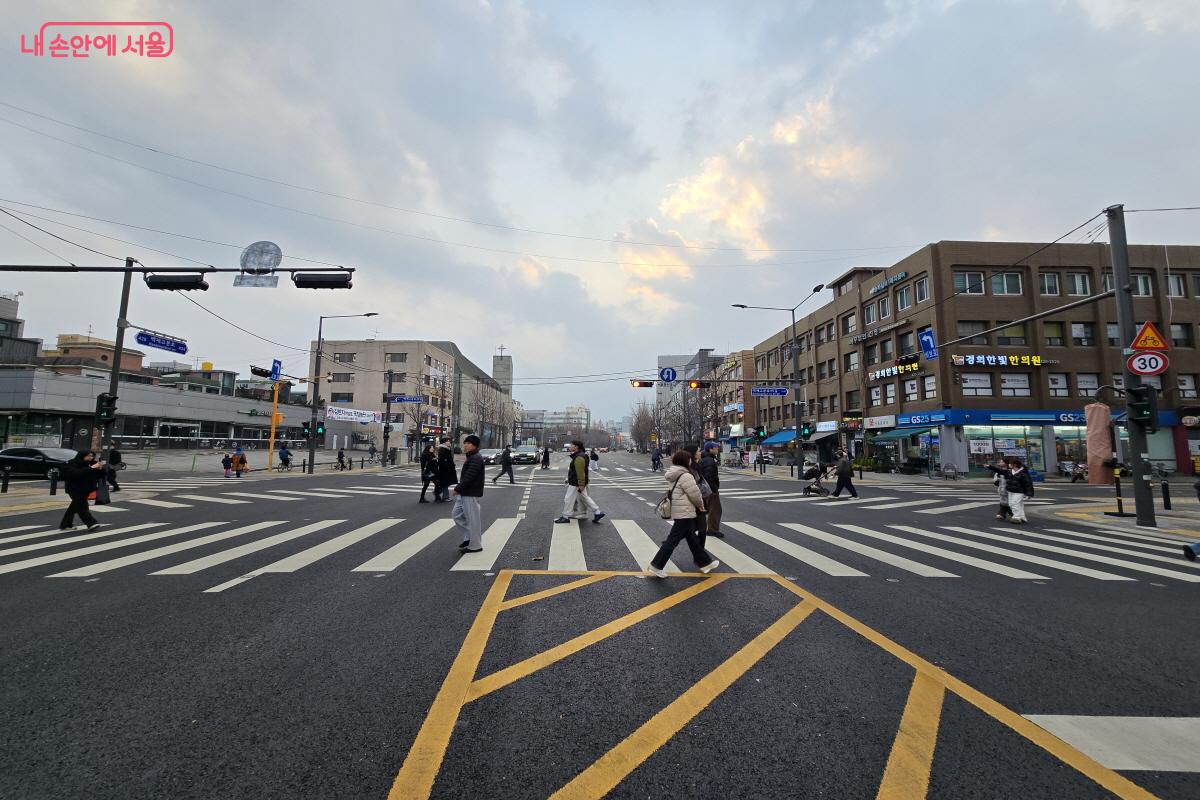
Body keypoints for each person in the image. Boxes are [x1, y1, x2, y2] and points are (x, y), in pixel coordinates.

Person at [647, 450, 720, 577]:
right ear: (685, 461)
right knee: (672, 541)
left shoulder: (674, 473)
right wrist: (700, 505)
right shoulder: (686, 475)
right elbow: (695, 494)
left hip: (681, 510)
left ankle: (705, 563)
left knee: (692, 539)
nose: (691, 460)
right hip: (685, 512)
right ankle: (656, 565)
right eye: (689, 459)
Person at [555, 440, 605, 524]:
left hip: (576, 483)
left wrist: (581, 484)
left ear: (576, 447)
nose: (570, 447)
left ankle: (565, 516)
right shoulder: (581, 455)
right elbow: (582, 471)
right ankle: (597, 512)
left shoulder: (579, 457)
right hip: (578, 481)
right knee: (584, 497)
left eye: (571, 445)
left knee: (568, 499)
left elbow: (580, 472)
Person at [452, 435, 485, 553]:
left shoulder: (476, 458)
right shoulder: (471, 456)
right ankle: (468, 537)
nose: (465, 445)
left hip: (470, 493)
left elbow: (469, 477)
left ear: (474, 445)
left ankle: (475, 545)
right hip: (465, 493)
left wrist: (458, 488)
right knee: (456, 515)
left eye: (468, 443)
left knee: (473, 520)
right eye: (465, 443)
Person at [59, 450, 105, 532]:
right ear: (82, 455)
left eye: (92, 456)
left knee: (74, 507)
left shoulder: (91, 463)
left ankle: (65, 524)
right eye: (89, 456)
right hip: (74, 489)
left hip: (86, 489)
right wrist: (91, 468)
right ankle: (91, 523)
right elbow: (75, 474)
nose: (91, 458)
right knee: (82, 507)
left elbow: (99, 475)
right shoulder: (72, 463)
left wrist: (100, 469)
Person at [698, 441, 724, 539]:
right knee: (715, 509)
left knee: (704, 510)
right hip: (710, 490)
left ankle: (701, 528)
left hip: (705, 489)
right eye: (716, 447)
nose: (717, 449)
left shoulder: (705, 459)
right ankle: (712, 530)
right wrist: (713, 490)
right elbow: (709, 477)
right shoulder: (709, 460)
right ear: (710, 449)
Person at [1002, 457, 1034, 524]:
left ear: (1015, 465)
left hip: (1019, 492)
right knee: (1012, 504)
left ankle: (1016, 517)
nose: (1009, 465)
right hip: (1010, 491)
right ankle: (1022, 517)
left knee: (1015, 503)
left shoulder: (1023, 473)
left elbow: (1028, 483)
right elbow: (1000, 471)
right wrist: (990, 467)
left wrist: (1029, 494)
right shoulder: (1010, 471)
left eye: (1010, 463)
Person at [435, 436, 457, 502]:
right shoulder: (443, 450)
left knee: (445, 484)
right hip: (445, 471)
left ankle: (440, 493)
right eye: (448, 441)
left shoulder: (446, 449)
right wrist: (448, 466)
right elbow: (442, 461)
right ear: (444, 443)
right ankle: (445, 496)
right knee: (445, 484)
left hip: (446, 470)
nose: (449, 442)